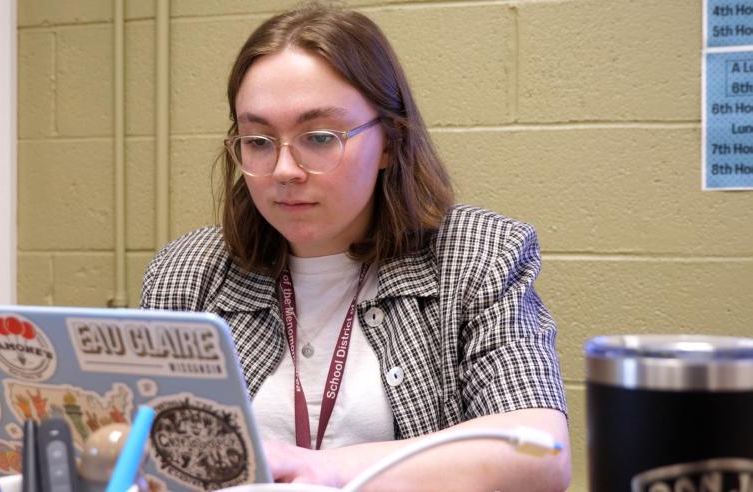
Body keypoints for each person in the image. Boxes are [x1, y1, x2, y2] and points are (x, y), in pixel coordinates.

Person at [141, 3, 571, 490]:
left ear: (389, 141)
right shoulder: (188, 271)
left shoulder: (478, 256)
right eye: (258, 140)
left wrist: (323, 470)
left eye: (319, 137)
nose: (284, 170)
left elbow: (540, 454)